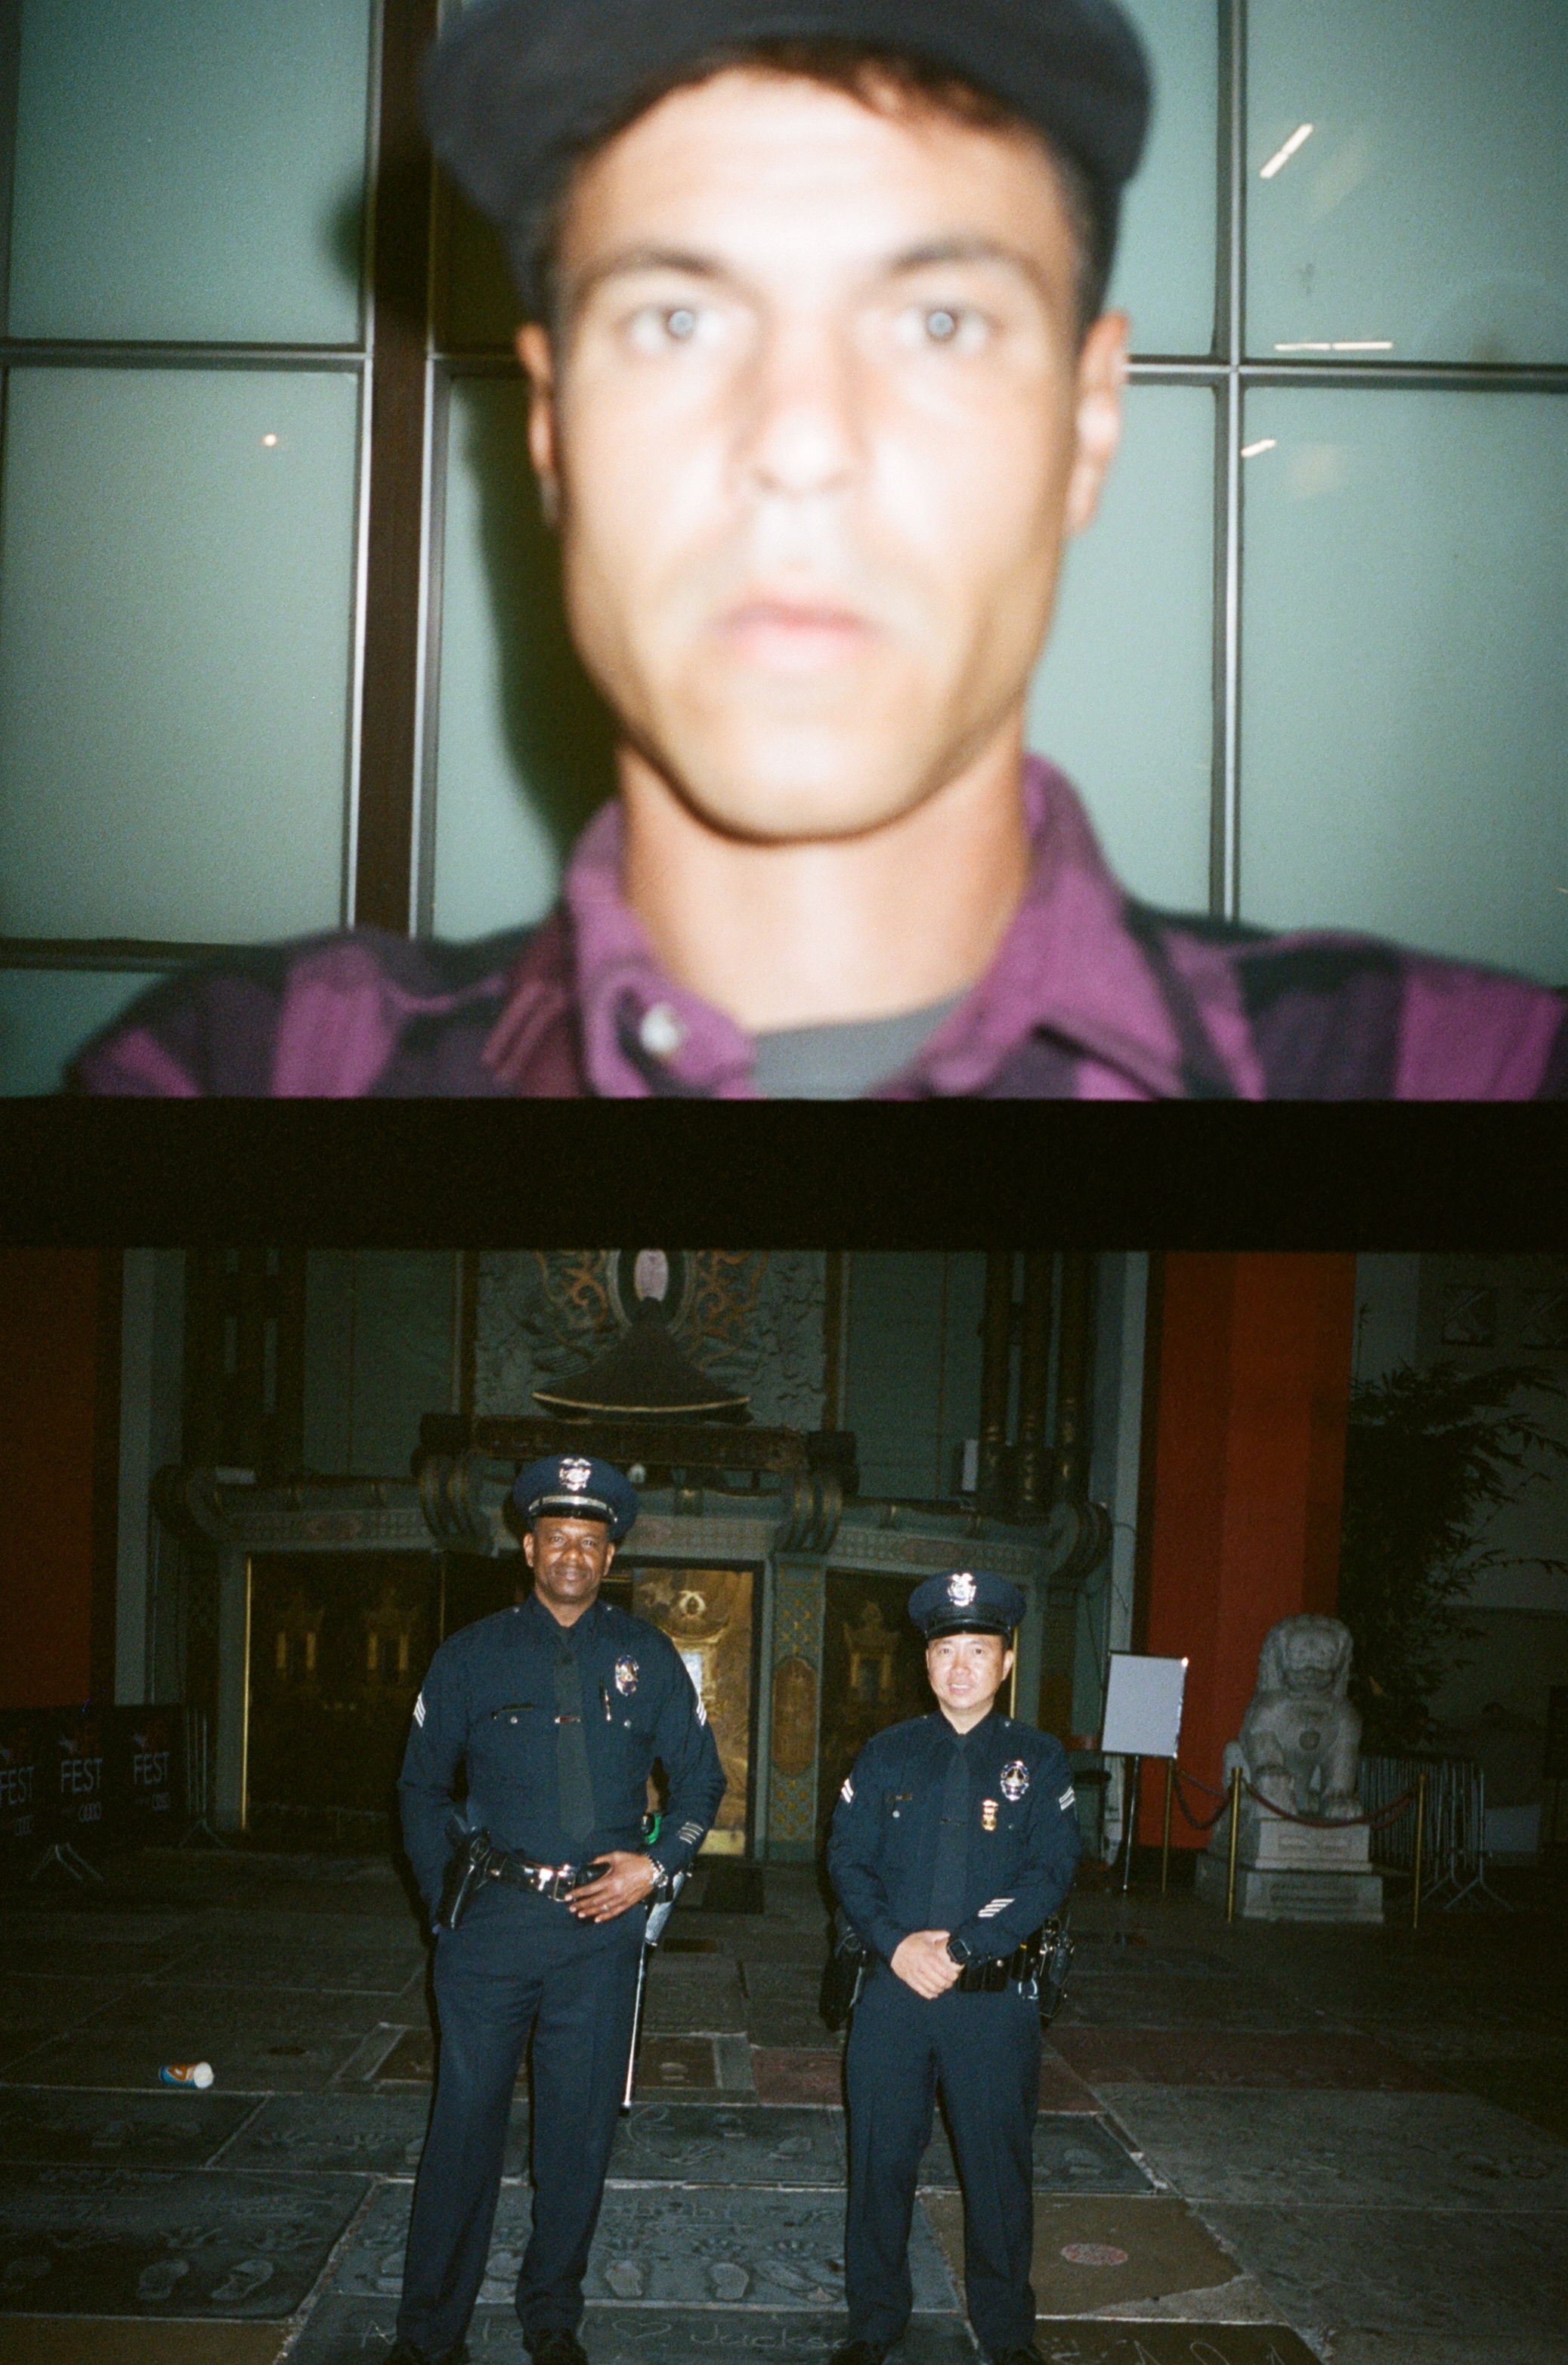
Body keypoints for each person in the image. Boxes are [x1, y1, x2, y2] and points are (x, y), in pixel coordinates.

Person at [70, 0, 1566, 1098]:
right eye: (676, 319)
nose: (797, 440)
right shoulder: (243, 1078)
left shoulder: (1462, 1082)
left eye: (939, 323)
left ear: (1088, 422)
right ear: (548, 430)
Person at [391, 1452, 725, 2365]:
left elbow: (702, 1782)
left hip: (599, 1932)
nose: (572, 1554)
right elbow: (419, 1788)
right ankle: (428, 2332)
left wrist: (655, 1867)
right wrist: (444, 1904)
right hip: (491, 1923)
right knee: (463, 2126)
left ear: (609, 1556)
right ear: (528, 1547)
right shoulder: (470, 1654)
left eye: (589, 1540)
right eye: (557, 1538)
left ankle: (551, 2314)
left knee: (576, 2133)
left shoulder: (646, 1656)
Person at [826, 1569, 1081, 2365]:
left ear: (1006, 1661)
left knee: (998, 2173)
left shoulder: (1038, 1760)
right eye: (945, 1651)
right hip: (893, 1993)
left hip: (990, 2002)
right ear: (926, 1661)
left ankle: (1005, 2332)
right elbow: (846, 1861)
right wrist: (897, 1944)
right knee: (878, 2163)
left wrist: (966, 1946)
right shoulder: (885, 1754)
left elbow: (1049, 1872)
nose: (960, 1666)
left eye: (977, 1649)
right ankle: (873, 2322)